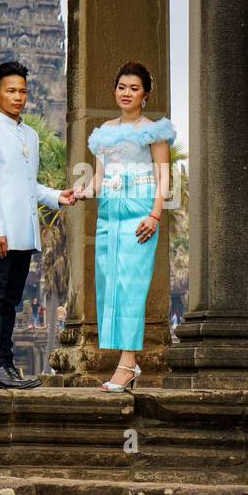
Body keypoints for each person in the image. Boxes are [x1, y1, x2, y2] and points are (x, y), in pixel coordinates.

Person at [0, 60, 77, 390]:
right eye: (10, 91)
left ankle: (6, 364)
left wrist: (59, 195)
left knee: (11, 301)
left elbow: (29, 185)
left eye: (22, 91)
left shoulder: (30, 134)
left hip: (24, 233)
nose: (18, 97)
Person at [86, 62, 176, 392]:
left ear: (145, 95)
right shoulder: (103, 133)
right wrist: (80, 192)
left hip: (139, 211)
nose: (127, 93)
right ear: (115, 91)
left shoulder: (155, 131)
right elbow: (98, 177)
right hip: (109, 211)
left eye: (134, 88)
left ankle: (127, 364)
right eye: (122, 87)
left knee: (132, 285)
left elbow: (164, 177)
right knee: (110, 283)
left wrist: (155, 215)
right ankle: (125, 361)